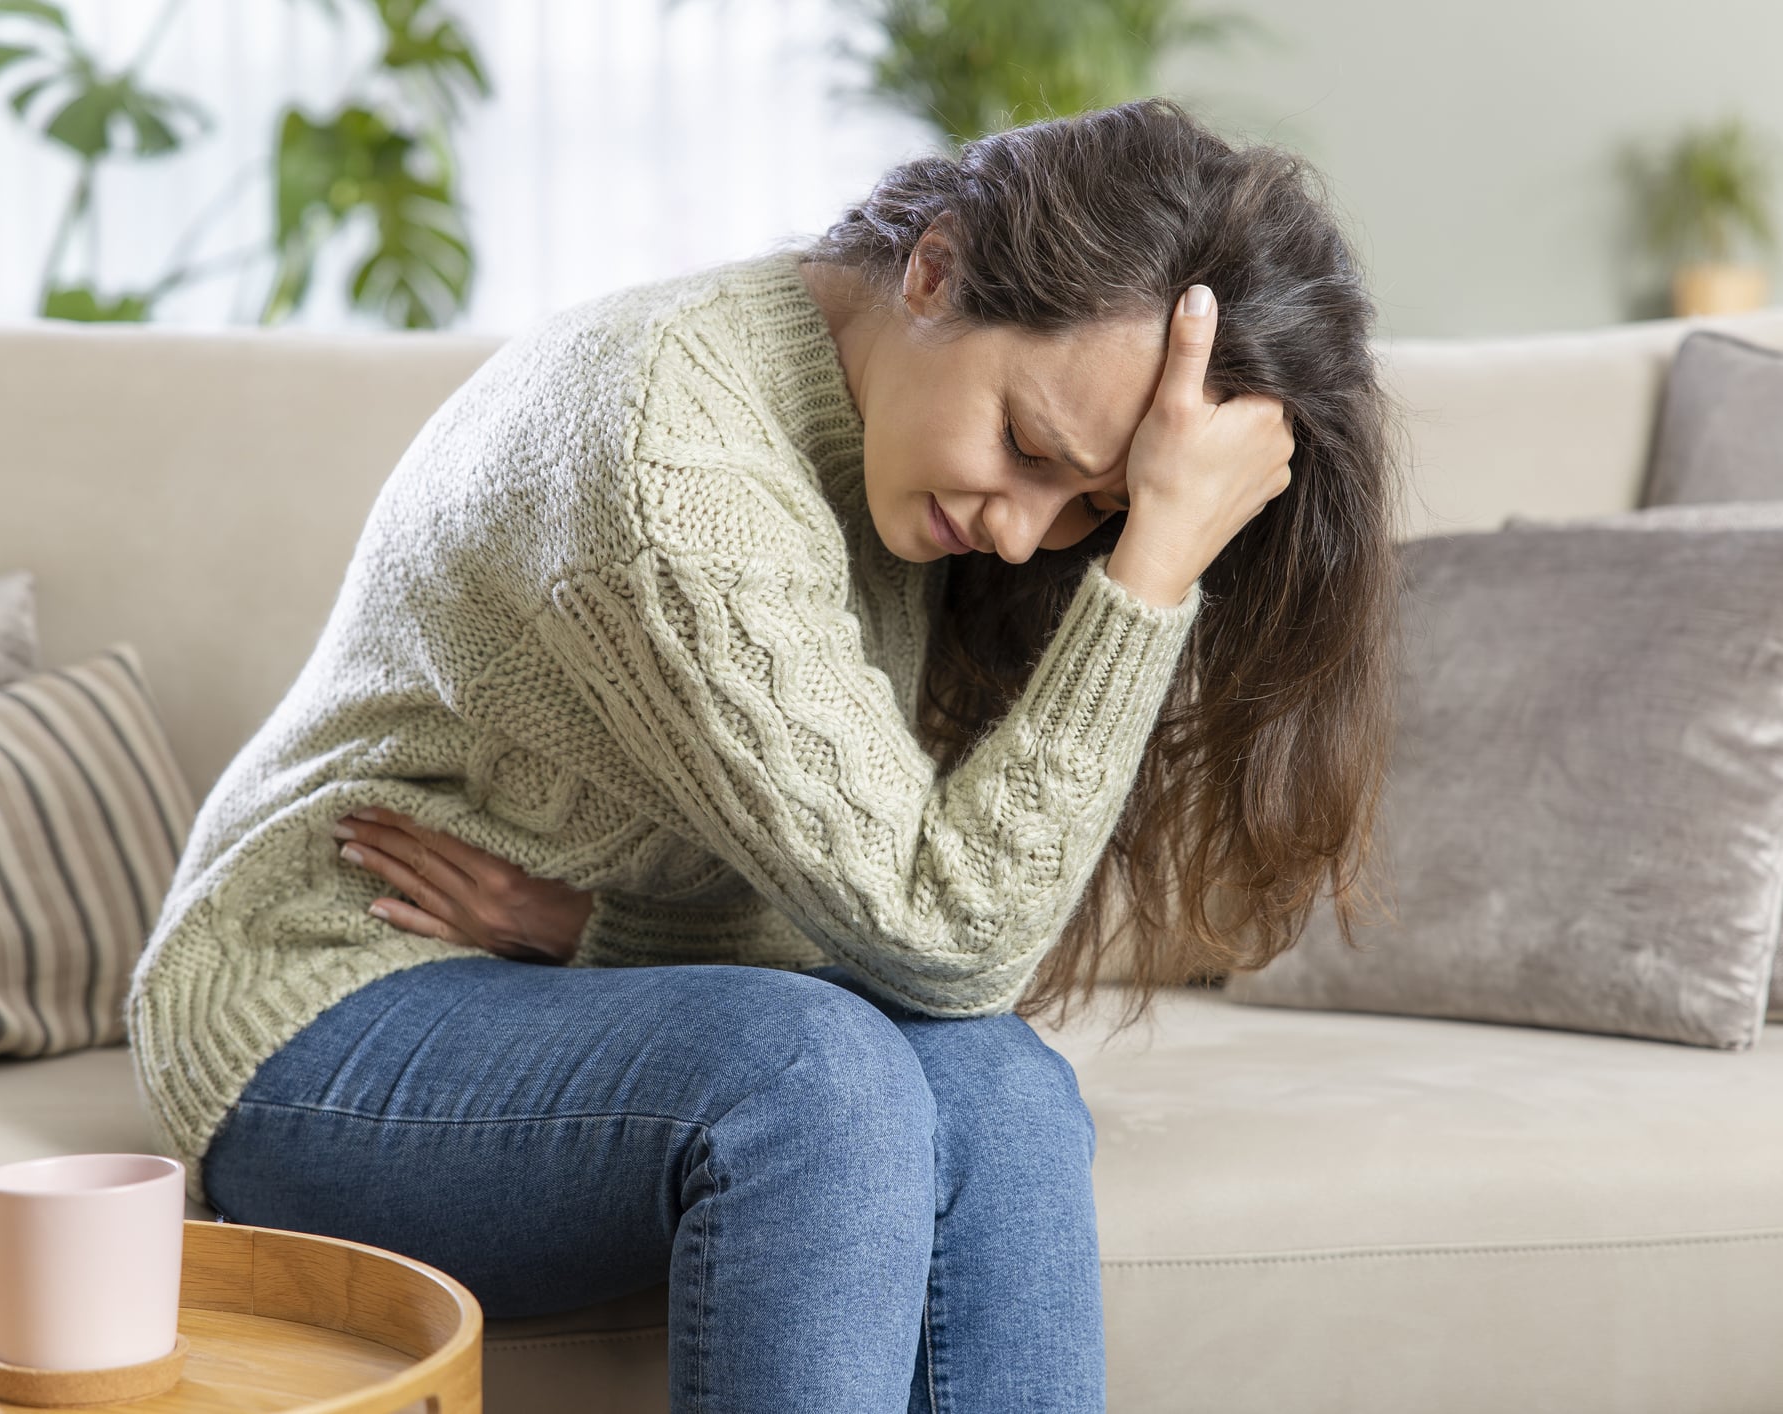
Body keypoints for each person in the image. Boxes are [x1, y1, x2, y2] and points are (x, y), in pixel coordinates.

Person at [125, 96, 1402, 1413]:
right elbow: (942, 931)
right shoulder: (674, 453)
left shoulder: (889, 452)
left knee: (1000, 1087)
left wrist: (600, 928)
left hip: (552, 993)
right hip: (317, 1015)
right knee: (815, 1081)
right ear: (935, 267)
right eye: (1028, 447)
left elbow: (907, 947)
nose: (1029, 534)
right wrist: (1146, 573)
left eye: (1091, 509)